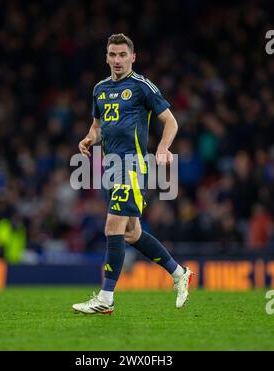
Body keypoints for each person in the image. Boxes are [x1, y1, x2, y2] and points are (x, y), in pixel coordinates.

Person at [72, 33, 193, 314]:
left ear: (133, 57)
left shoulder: (141, 87)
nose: (117, 60)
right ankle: (178, 273)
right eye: (112, 55)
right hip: (110, 167)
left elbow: (171, 121)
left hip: (132, 166)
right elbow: (98, 127)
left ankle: (105, 298)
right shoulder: (99, 89)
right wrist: (89, 139)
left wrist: (163, 147)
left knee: (112, 227)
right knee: (131, 232)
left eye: (122, 55)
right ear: (106, 57)